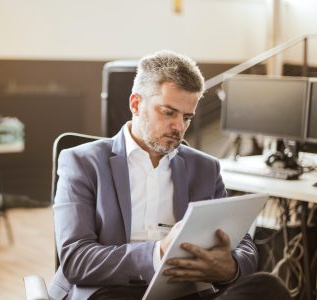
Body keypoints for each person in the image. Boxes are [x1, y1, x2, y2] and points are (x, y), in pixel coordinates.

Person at [48, 50, 291, 300]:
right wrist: (158, 253)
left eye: (187, 117)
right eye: (168, 112)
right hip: (112, 291)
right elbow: (76, 259)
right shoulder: (82, 162)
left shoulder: (206, 168)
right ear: (135, 104)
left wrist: (230, 268)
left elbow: (243, 244)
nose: (179, 127)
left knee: (267, 287)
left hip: (186, 292)